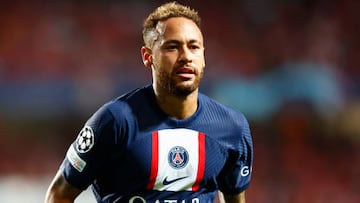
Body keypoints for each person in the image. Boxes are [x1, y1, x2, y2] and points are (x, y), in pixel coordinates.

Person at [45, 2, 253, 203]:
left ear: (203, 55)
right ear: (148, 56)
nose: (186, 56)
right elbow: (59, 194)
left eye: (194, 47)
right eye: (172, 47)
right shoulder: (114, 121)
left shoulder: (232, 127)